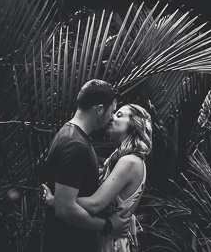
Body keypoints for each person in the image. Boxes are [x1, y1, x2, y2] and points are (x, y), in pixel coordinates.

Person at [45, 103, 153, 252]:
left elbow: (94, 204)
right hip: (108, 236)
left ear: (135, 124)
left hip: (110, 241)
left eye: (119, 115)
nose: (111, 118)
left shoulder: (130, 161)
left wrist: (57, 200)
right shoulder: (127, 159)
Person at [41, 79, 131, 252]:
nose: (112, 118)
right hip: (67, 243)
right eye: (111, 112)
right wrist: (108, 225)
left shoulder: (69, 134)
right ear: (99, 110)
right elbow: (65, 209)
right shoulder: (76, 145)